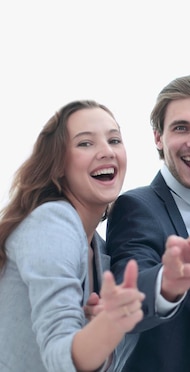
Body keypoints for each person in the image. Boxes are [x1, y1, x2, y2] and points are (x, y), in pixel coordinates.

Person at [0, 100, 144, 371]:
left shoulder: (97, 248)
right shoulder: (53, 221)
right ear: (58, 164)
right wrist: (109, 325)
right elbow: (59, 354)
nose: (106, 152)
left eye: (114, 140)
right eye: (85, 143)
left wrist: (96, 331)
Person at [106, 74, 190, 372]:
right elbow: (132, 287)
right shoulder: (136, 206)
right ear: (158, 137)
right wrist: (168, 284)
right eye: (181, 128)